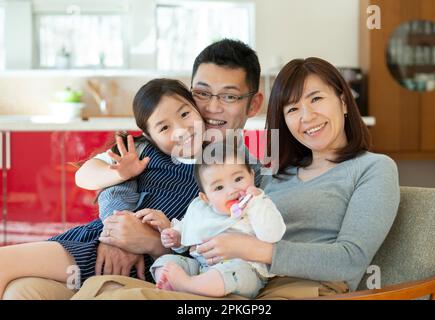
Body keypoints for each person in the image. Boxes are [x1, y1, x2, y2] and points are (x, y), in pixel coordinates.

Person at [70, 57, 400, 300]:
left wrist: (254, 249)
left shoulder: (372, 168)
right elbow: (214, 221)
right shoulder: (270, 172)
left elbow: (350, 260)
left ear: (343, 101)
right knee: (99, 291)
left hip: (298, 290)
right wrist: (144, 235)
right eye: (292, 109)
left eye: (316, 99)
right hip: (232, 282)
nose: (307, 117)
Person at [3, 39, 265, 299]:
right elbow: (87, 174)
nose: (211, 107)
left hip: (155, 269)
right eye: (202, 93)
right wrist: (119, 189)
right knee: (16, 285)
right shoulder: (147, 150)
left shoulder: (247, 177)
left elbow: (219, 254)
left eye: (229, 96)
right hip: (96, 242)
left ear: (252, 105)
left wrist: (148, 241)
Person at [0, 78, 207, 298]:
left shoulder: (222, 165)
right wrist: (119, 172)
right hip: (97, 244)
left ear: (197, 109)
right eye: (164, 127)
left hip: (152, 264)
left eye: (185, 114)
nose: (181, 130)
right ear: (149, 136)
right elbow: (84, 176)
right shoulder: (139, 152)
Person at [148, 143, 285, 298]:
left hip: (247, 268)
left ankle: (187, 285)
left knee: (233, 272)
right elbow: (188, 230)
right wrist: (177, 237)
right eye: (219, 188)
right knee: (165, 262)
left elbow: (273, 235)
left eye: (238, 179)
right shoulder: (202, 210)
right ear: (205, 198)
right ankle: (170, 283)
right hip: (202, 266)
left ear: (252, 176)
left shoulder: (258, 205)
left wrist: (257, 203)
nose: (232, 190)